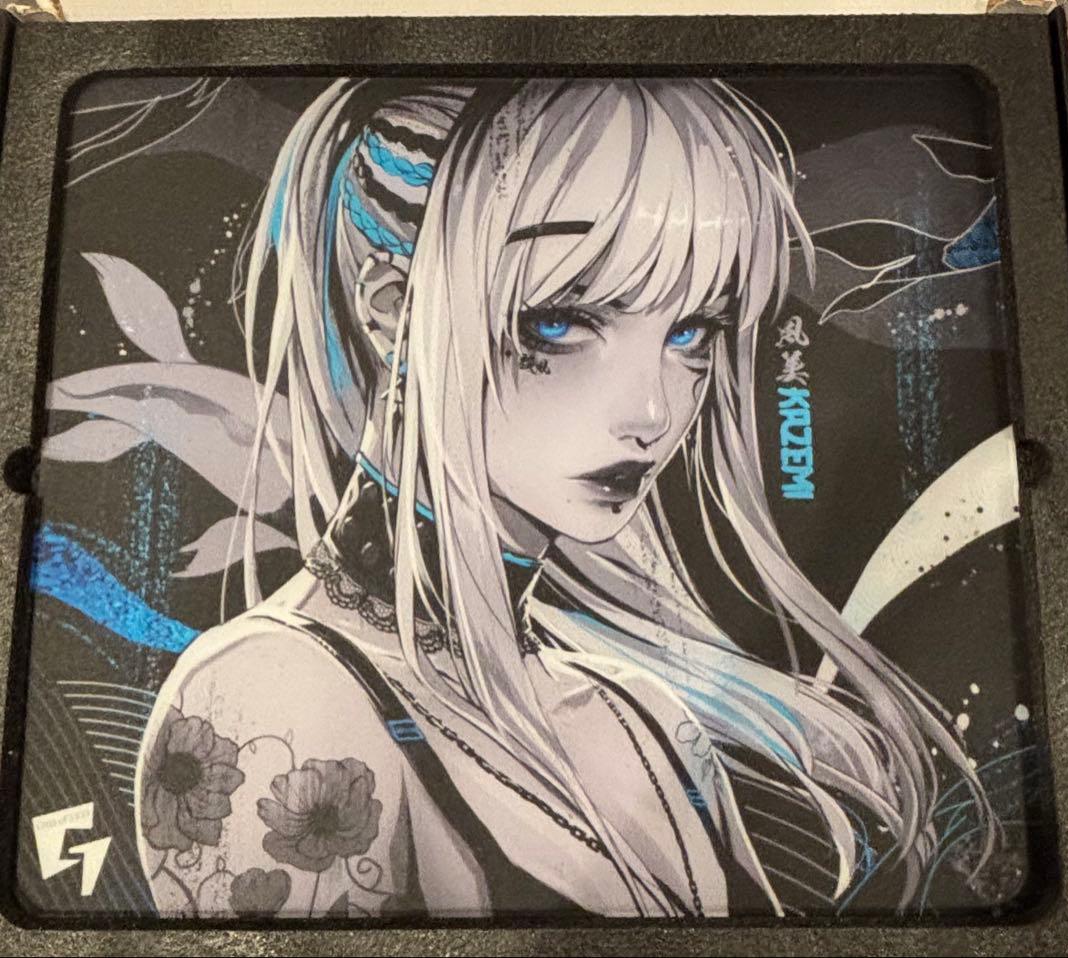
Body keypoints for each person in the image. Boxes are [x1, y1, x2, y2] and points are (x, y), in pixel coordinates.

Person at [134, 77, 994, 919]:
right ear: (393, 314)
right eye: (562, 319)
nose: (652, 412)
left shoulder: (635, 709)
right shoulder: (270, 693)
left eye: (691, 331)